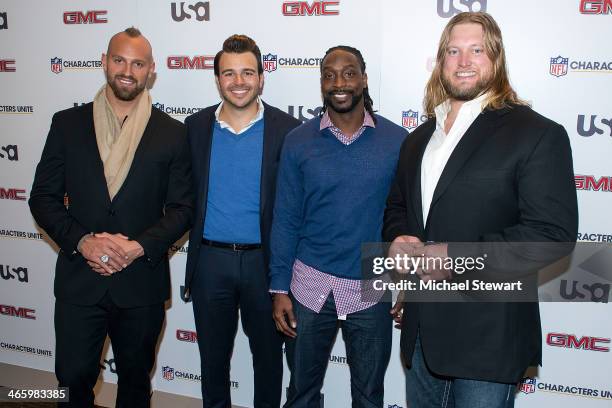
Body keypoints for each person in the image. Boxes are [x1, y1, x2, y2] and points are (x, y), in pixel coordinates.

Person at [383, 12, 578, 408]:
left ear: (496, 58)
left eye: (476, 50)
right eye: (453, 51)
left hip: (489, 337)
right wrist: (397, 238)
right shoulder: (419, 138)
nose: (464, 61)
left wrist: (456, 259)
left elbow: (551, 236)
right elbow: (398, 208)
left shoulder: (537, 134)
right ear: (441, 61)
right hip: (422, 333)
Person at [29, 27, 193, 408]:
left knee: (135, 384)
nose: (127, 70)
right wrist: (85, 242)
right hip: (79, 282)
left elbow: (183, 208)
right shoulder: (66, 124)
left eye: (138, 64)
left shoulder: (173, 133)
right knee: (71, 382)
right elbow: (43, 198)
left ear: (151, 71)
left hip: (140, 284)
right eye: (119, 60)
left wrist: (136, 247)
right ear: (104, 62)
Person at [270, 45, 407, 408]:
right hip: (309, 285)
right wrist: (279, 287)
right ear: (321, 83)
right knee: (301, 391)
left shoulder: (397, 141)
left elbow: (407, 219)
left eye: (348, 73)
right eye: (329, 75)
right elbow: (285, 218)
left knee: (368, 396)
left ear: (363, 78)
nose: (338, 82)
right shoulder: (299, 140)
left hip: (371, 287)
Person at [183, 34, 300, 408]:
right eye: (229, 73)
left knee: (268, 362)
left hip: (264, 265)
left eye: (248, 72)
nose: (239, 81)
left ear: (262, 78)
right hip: (209, 263)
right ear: (217, 79)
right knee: (212, 362)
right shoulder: (195, 127)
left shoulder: (289, 130)